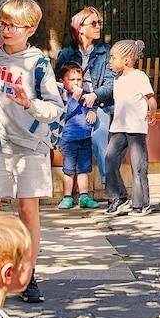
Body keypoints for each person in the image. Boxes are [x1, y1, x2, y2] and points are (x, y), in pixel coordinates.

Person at [0, 0, 62, 305]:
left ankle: (28, 273)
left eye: (13, 26)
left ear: (30, 28)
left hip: (31, 147)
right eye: (3, 24)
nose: (6, 31)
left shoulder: (39, 64)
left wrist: (28, 104)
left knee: (27, 210)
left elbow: (55, 109)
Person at [55, 7, 114, 185]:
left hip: (99, 104)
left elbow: (111, 83)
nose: (98, 27)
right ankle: (73, 191)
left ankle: (110, 186)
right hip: (74, 105)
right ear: (80, 28)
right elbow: (57, 82)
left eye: (99, 23)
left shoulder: (105, 51)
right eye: (93, 23)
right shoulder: (66, 54)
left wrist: (94, 95)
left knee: (98, 137)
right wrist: (72, 92)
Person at [103, 40, 157, 217]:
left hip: (136, 128)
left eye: (113, 57)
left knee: (138, 166)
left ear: (126, 60)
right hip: (118, 127)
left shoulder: (139, 76)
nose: (110, 61)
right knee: (110, 159)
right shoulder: (117, 80)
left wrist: (152, 113)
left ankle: (141, 203)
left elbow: (150, 98)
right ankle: (119, 197)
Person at [55, 63, 99, 210]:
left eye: (79, 79)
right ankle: (67, 196)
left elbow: (90, 106)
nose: (76, 83)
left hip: (85, 137)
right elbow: (64, 114)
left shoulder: (84, 95)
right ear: (62, 81)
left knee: (83, 169)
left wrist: (92, 111)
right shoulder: (62, 97)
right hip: (68, 139)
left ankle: (84, 196)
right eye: (72, 79)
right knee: (69, 170)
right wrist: (74, 98)